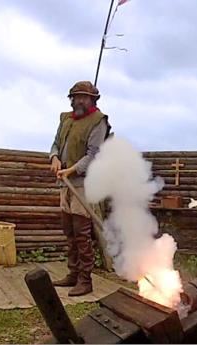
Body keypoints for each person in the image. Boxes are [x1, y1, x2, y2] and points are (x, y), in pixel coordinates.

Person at [49, 81, 111, 296]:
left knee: (81, 233)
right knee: (69, 231)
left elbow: (93, 154)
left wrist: (72, 170)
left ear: (93, 100)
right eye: (77, 96)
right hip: (64, 183)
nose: (80, 100)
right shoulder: (65, 118)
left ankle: (85, 280)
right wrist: (54, 158)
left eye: (84, 97)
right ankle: (73, 274)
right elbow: (56, 143)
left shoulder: (98, 121)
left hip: (83, 184)